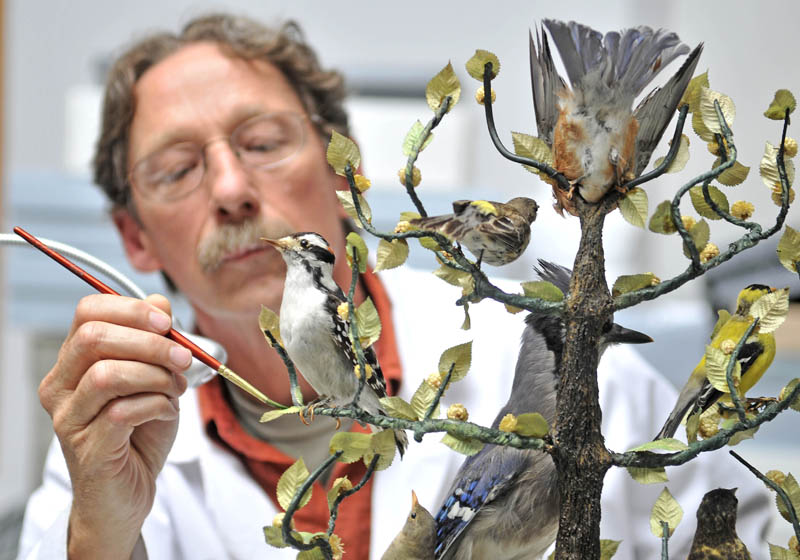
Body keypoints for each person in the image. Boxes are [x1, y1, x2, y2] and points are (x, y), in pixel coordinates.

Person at [17, 13, 771, 560]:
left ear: (346, 176)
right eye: (177, 168)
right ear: (134, 236)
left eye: (263, 141)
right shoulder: (106, 440)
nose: (231, 188)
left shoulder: (540, 346)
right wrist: (100, 533)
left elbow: (746, 528)